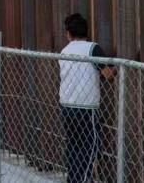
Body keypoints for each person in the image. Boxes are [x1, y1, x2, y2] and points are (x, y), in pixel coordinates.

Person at [59, 13, 115, 183]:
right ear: (86, 31)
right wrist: (115, 69)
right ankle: (83, 180)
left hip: (66, 106)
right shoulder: (93, 48)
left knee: (73, 146)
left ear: (68, 33)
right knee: (90, 147)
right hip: (86, 108)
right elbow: (107, 75)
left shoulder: (65, 51)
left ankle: (74, 179)